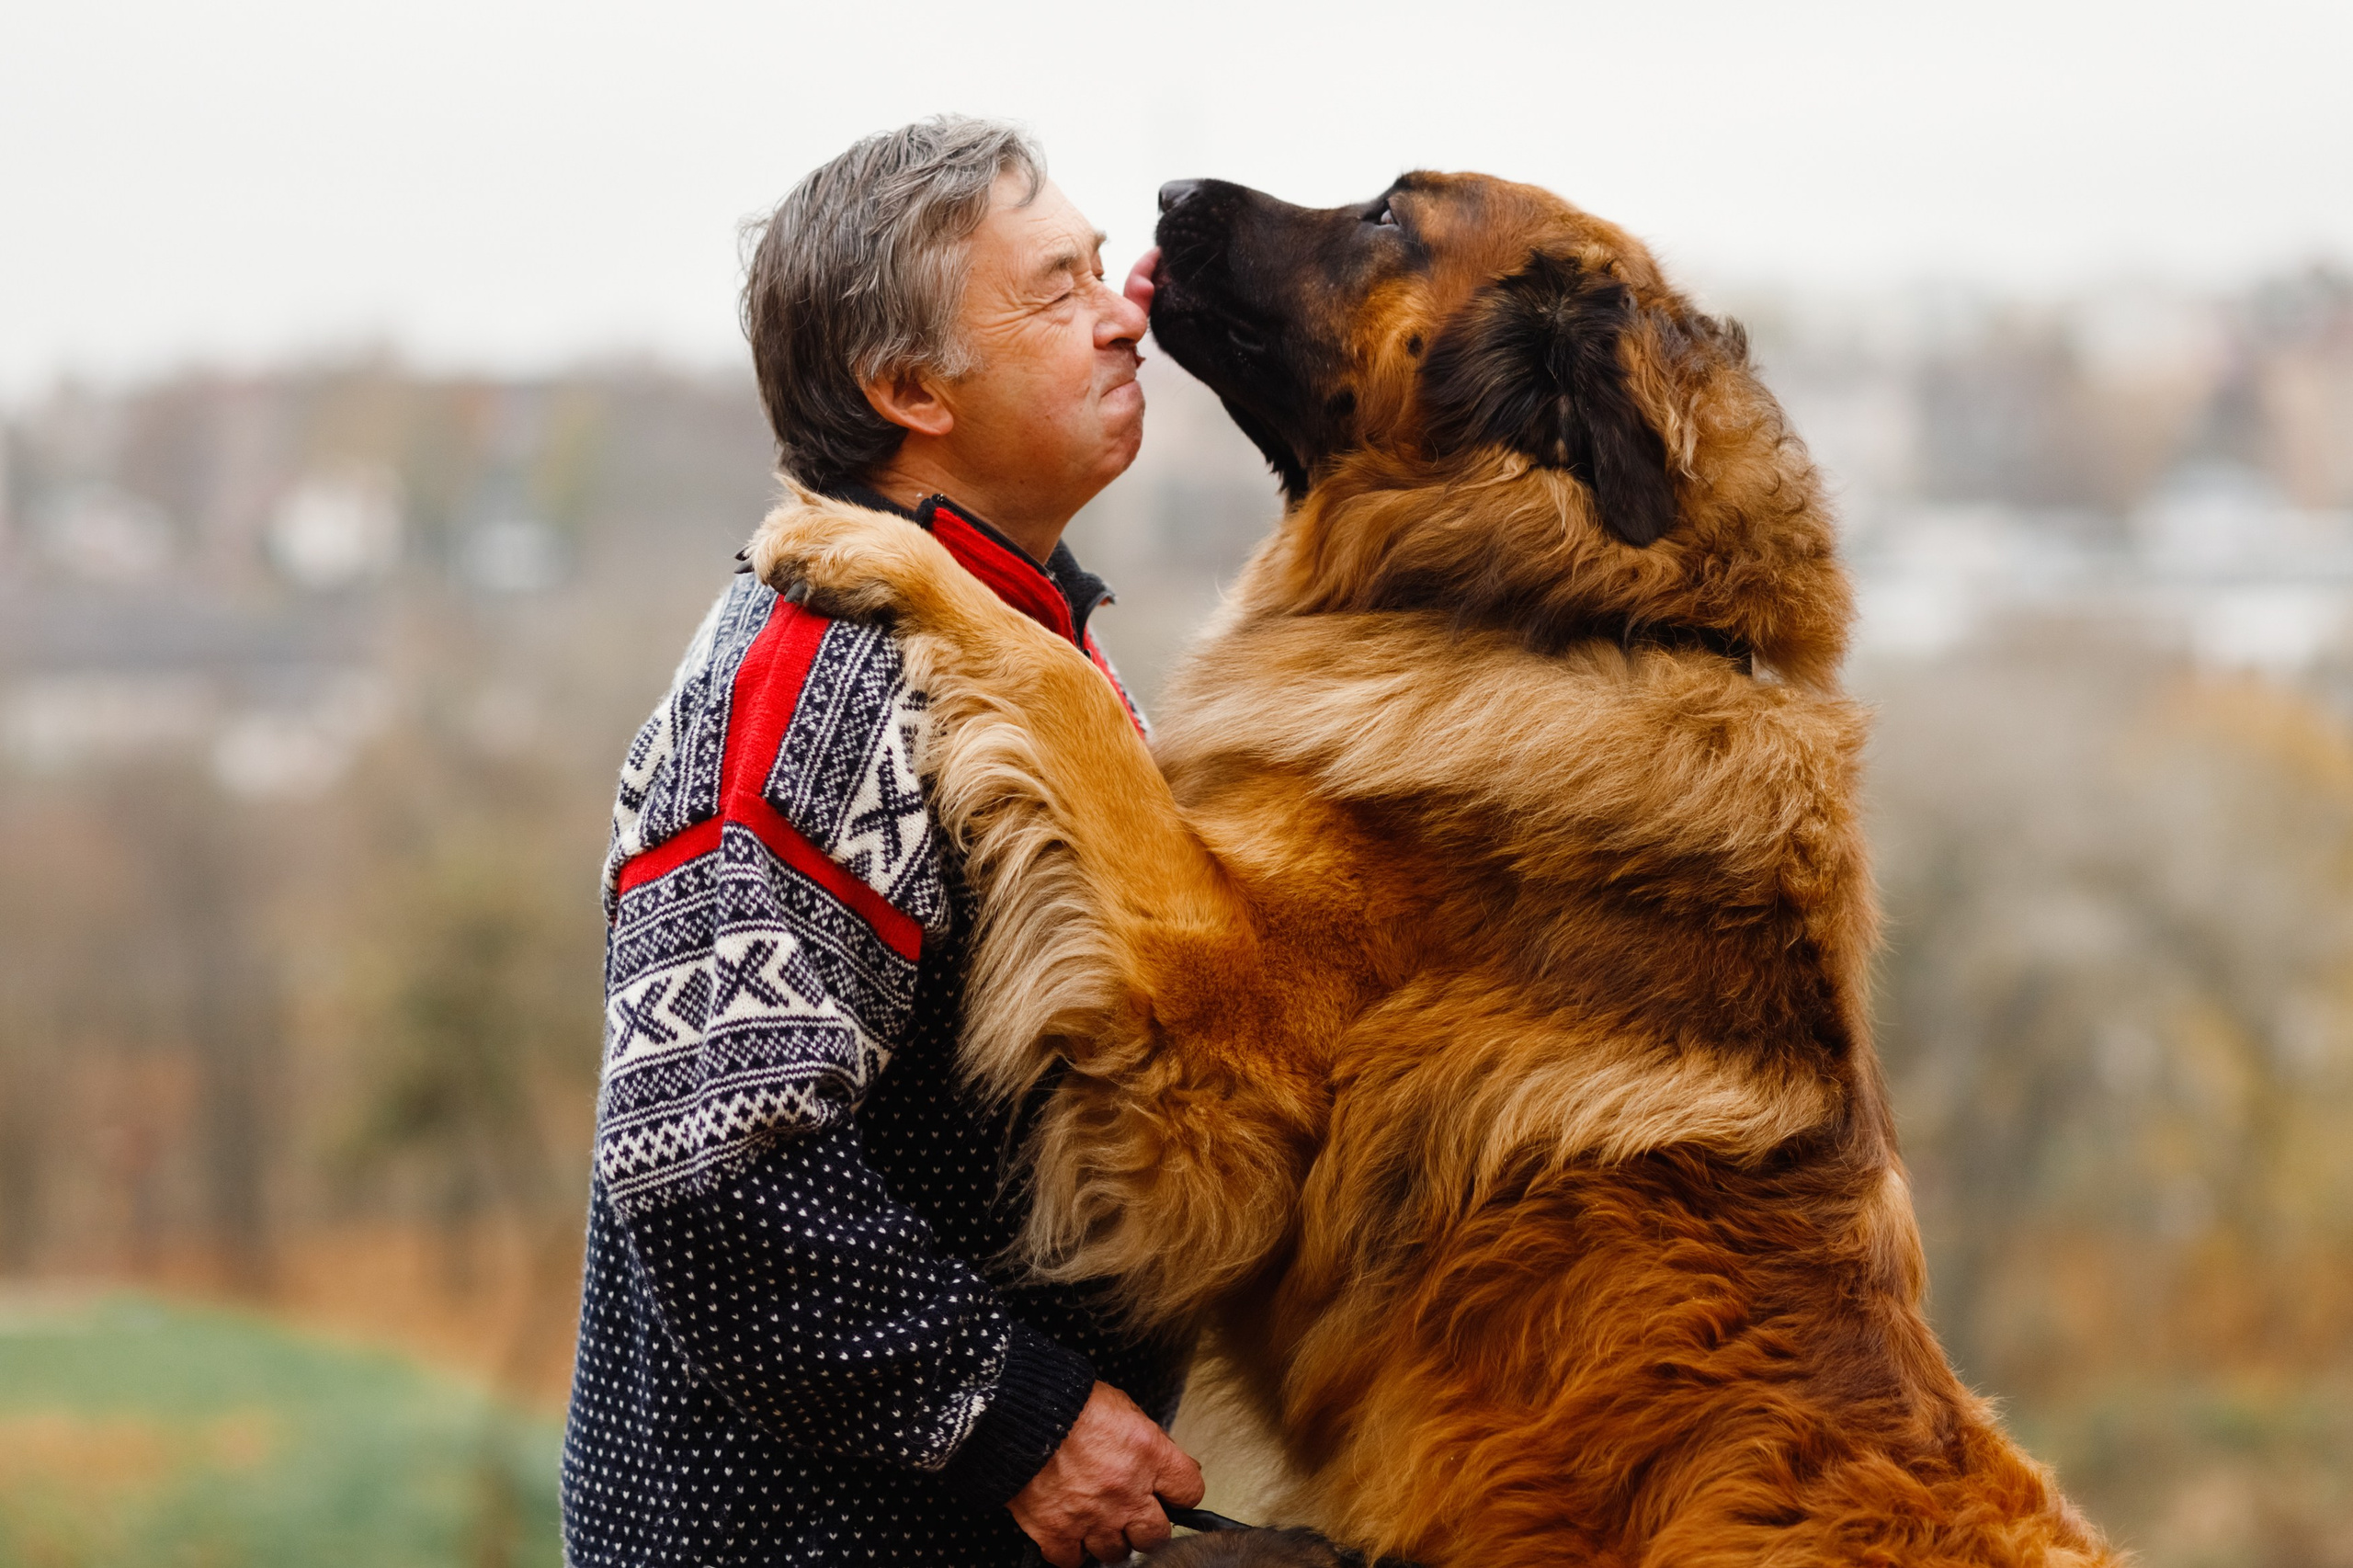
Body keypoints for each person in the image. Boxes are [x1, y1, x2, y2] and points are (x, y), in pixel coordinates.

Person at [560, 117, 1202, 1568]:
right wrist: (1022, 1420)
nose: (1124, 316)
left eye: (1107, 267)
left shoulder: (1012, 640)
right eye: (1057, 287)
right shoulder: (824, 682)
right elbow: (712, 1162)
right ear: (911, 386)